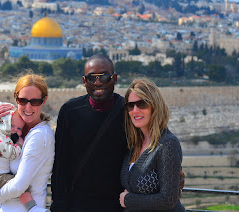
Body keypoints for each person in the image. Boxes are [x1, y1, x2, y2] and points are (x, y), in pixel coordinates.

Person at [51, 54, 185, 212]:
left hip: (117, 205)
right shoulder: (70, 111)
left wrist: (174, 176)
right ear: (84, 81)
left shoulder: (127, 110)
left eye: (104, 76)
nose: (98, 82)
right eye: (91, 78)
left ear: (114, 78)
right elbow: (61, 164)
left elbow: (157, 144)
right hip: (78, 204)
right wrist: (58, 204)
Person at [0, 73, 55, 212]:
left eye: (35, 101)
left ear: (44, 101)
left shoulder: (40, 136)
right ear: (16, 98)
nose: (28, 107)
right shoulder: (16, 133)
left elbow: (19, 186)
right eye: (23, 100)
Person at [119, 77, 185, 211]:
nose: (135, 110)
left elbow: (168, 200)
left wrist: (127, 200)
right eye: (130, 106)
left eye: (141, 104)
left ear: (154, 106)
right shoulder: (134, 145)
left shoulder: (167, 144)